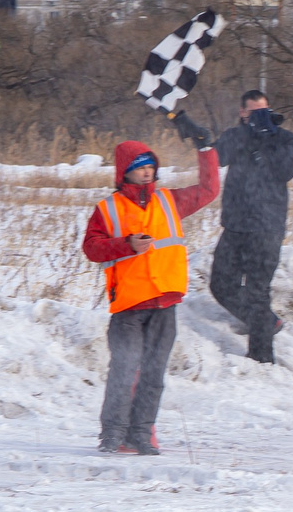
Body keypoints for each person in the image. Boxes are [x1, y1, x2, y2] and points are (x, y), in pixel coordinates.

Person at [82, 138, 221, 455]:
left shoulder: (170, 200)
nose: (147, 174)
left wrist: (205, 151)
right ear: (124, 174)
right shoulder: (108, 209)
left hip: (165, 302)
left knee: (154, 374)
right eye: (139, 169)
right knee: (124, 371)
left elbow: (209, 190)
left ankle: (141, 435)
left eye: (150, 168)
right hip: (129, 306)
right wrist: (127, 244)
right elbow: (91, 248)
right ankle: (113, 434)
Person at [174, 90, 293, 364]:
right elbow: (214, 158)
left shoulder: (285, 139)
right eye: (254, 112)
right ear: (242, 113)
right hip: (235, 225)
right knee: (221, 285)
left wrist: (265, 142)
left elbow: (286, 171)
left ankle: (261, 358)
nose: (259, 117)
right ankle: (266, 322)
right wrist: (198, 139)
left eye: (264, 110)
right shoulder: (236, 136)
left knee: (257, 290)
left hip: (267, 227)